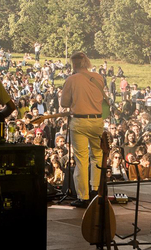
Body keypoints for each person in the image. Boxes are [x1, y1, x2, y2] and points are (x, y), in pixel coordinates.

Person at [61, 51, 106, 208]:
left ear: (74, 64)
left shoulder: (72, 79)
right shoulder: (99, 77)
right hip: (97, 120)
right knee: (97, 155)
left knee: (81, 159)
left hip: (79, 121)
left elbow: (65, 103)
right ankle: (95, 190)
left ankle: (83, 196)